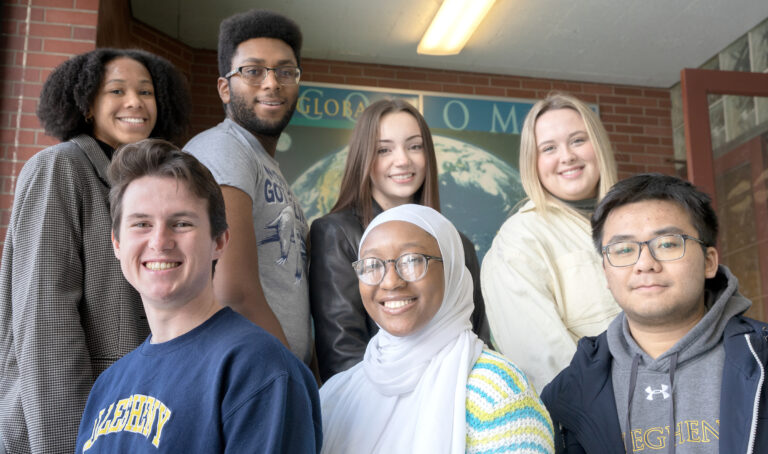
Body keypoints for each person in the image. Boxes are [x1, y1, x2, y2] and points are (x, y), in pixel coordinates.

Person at [74, 139, 322, 452]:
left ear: (219, 241)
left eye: (181, 223)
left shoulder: (259, 370)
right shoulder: (108, 386)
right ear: (117, 243)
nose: (160, 241)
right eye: (141, 224)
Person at [0, 48, 189, 453]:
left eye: (146, 92)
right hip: (68, 422)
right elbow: (45, 319)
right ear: (87, 105)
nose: (135, 102)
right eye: (116, 91)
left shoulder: (139, 182)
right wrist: (68, 444)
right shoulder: (60, 167)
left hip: (132, 417)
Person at [541, 173, 768, 453]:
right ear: (606, 273)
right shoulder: (570, 391)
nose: (645, 264)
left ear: (709, 263)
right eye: (623, 249)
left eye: (668, 244)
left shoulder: (761, 361)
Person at [320, 204, 554, 453]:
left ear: (451, 270)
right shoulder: (335, 395)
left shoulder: (499, 390)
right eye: (372, 265)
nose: (390, 281)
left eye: (412, 260)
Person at [310, 99, 491, 381]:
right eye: (384, 149)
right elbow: (342, 357)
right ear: (364, 158)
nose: (403, 160)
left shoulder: (458, 244)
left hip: (456, 401)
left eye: (414, 146)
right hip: (375, 409)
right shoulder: (337, 233)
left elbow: (477, 337)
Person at [184, 9, 311, 364]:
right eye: (253, 71)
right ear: (225, 88)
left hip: (266, 372)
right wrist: (292, 379)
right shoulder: (224, 149)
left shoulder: (265, 165)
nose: (272, 83)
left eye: (285, 71)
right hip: (244, 376)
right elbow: (233, 291)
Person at [481, 92, 621, 391]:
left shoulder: (641, 220)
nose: (567, 156)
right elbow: (544, 361)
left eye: (578, 140)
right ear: (533, 161)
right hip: (599, 419)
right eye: (549, 148)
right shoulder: (519, 240)